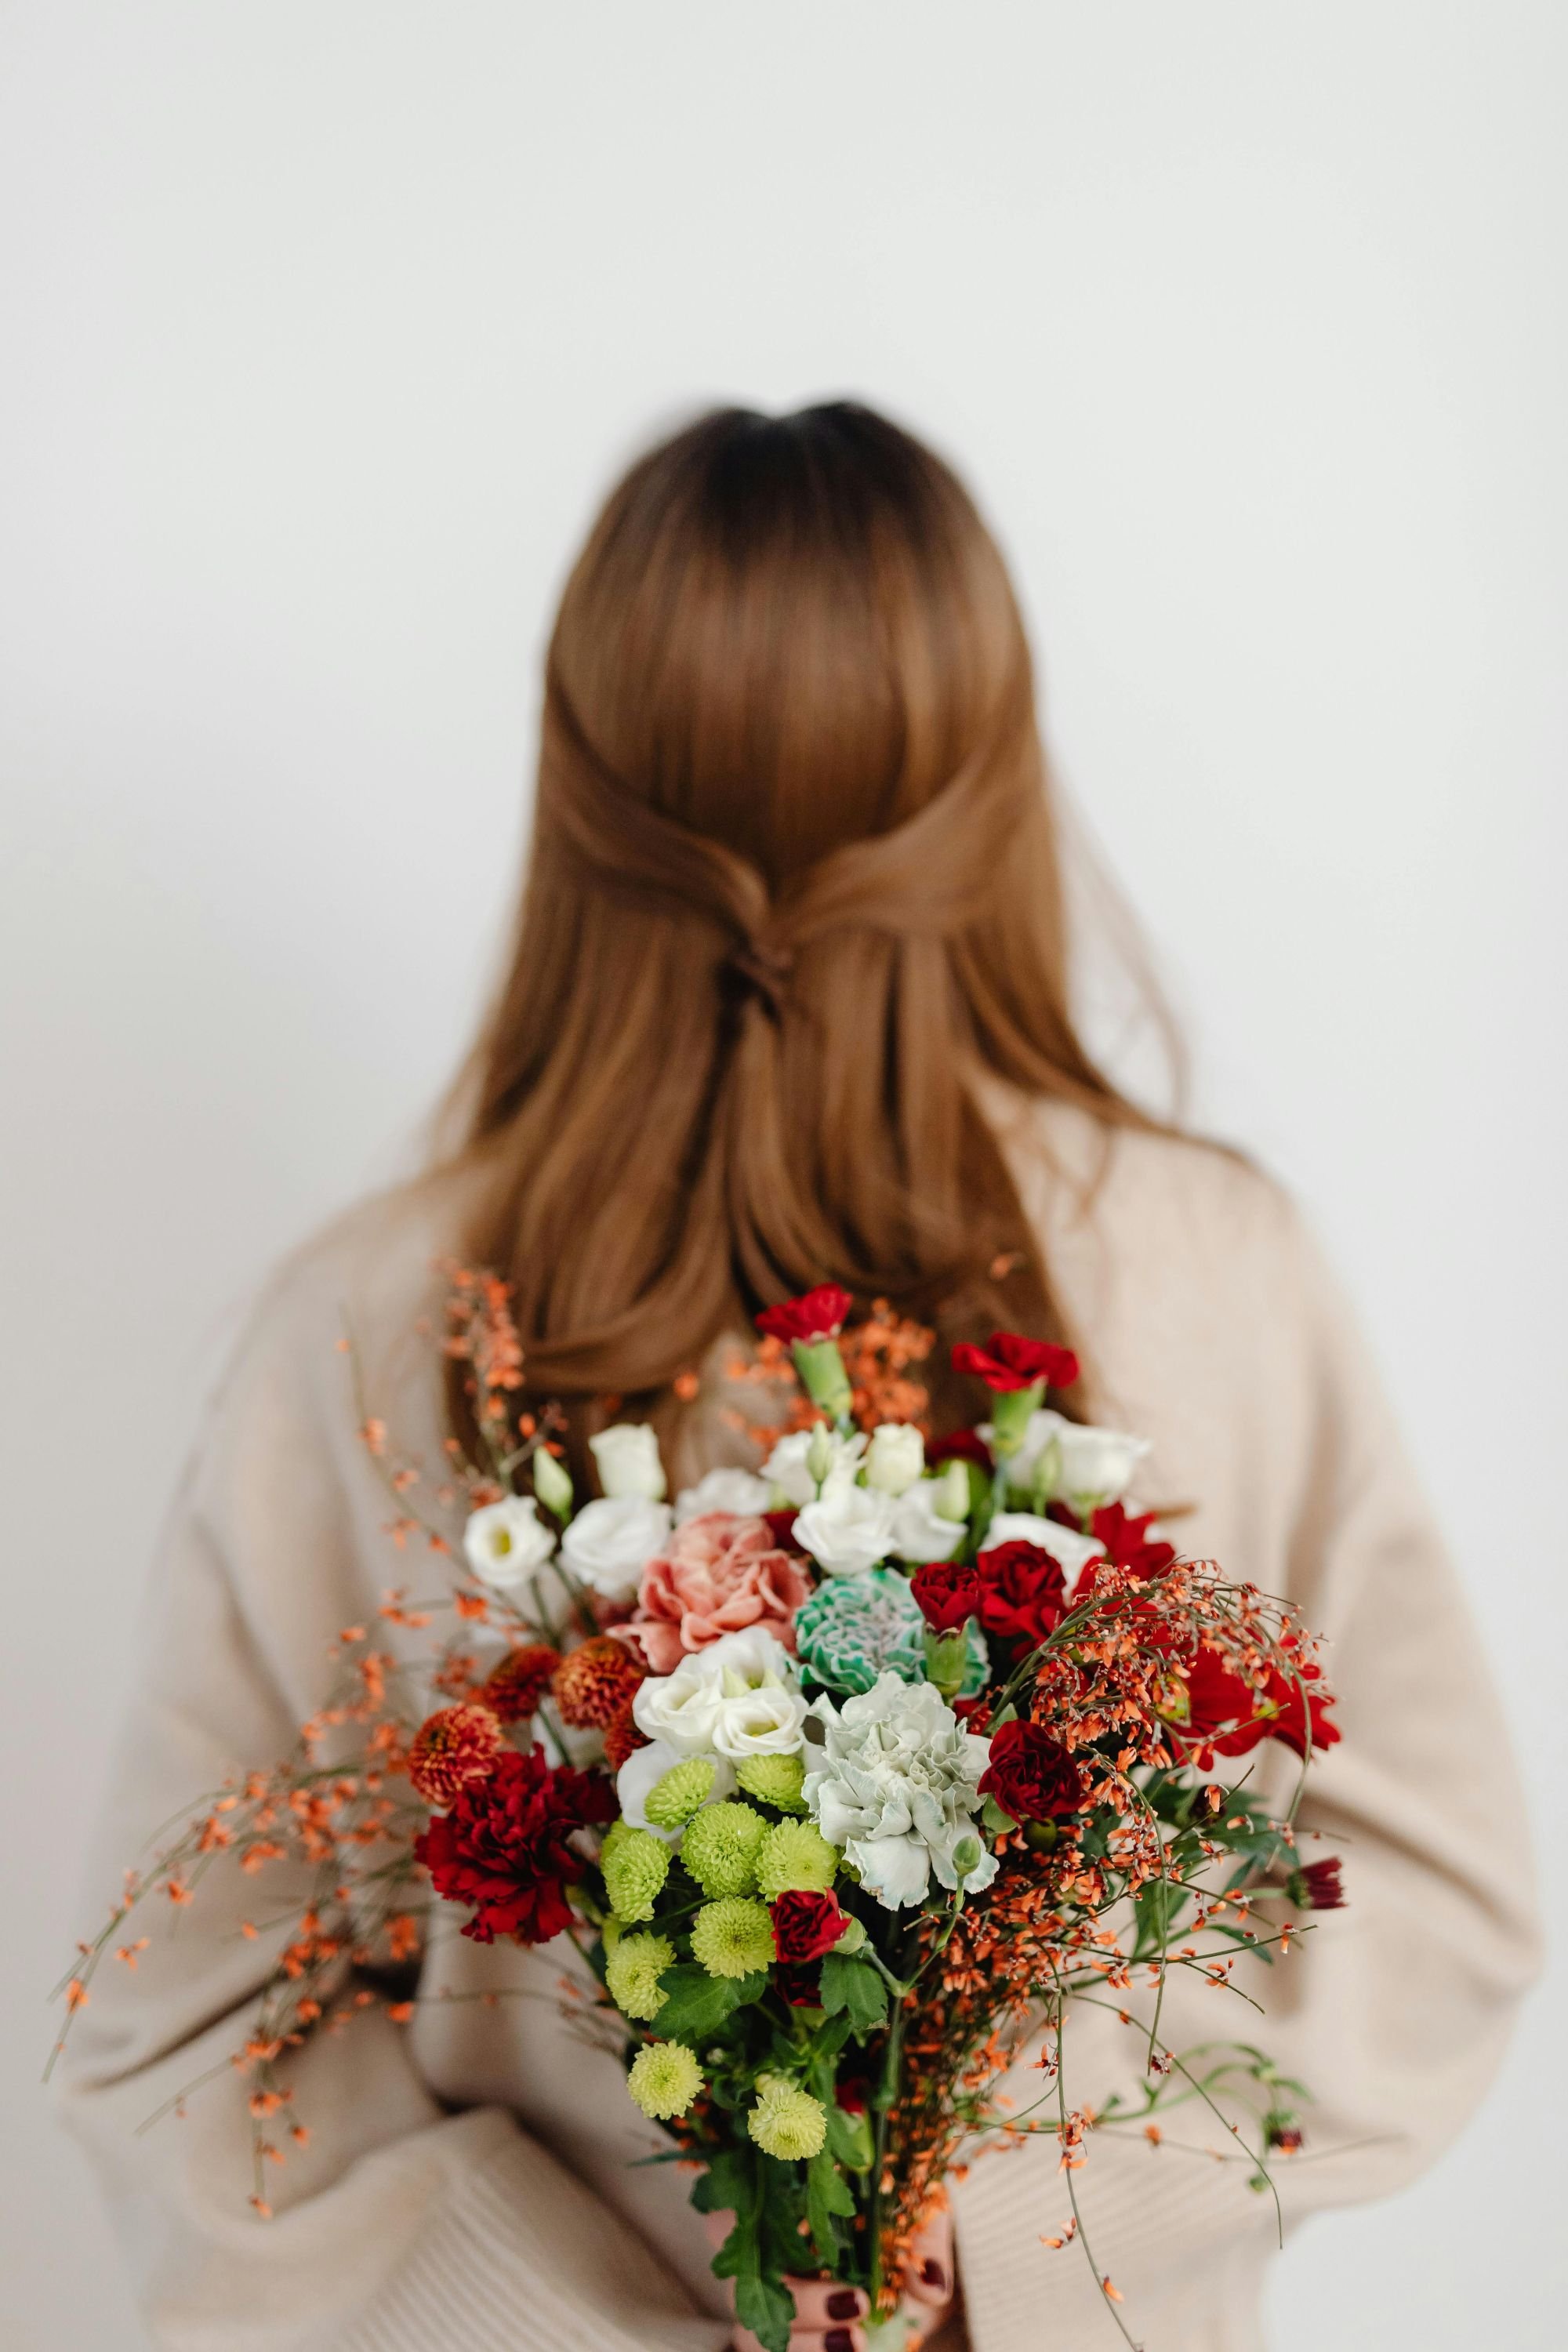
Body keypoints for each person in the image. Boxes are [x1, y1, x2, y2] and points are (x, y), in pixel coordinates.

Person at [58, 404, 1537, 2352]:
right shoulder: (1214, 1268)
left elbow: (177, 2037)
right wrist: (1013, 2219)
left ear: (581, 790)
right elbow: (1429, 1915)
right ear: (995, 772)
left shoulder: (353, 1323)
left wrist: (932, 2214)